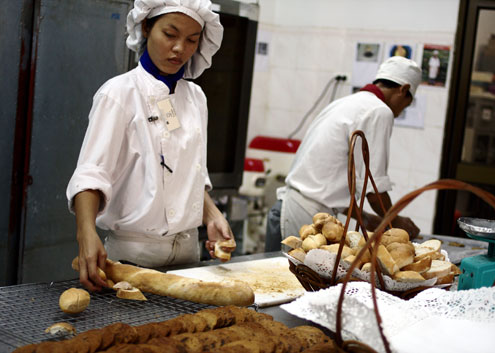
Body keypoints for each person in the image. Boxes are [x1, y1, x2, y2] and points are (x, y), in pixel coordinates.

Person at [66, 0, 234, 291]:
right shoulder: (119, 93)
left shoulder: (194, 98)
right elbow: (92, 173)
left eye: (192, 40)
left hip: (187, 253)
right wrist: (86, 231)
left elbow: (184, 170)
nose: (180, 48)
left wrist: (212, 214)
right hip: (134, 257)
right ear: (146, 27)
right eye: (170, 35)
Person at [265, 56, 421, 251]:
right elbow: (374, 189)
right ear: (403, 89)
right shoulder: (380, 111)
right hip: (301, 218)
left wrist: (366, 218)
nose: (399, 113)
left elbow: (330, 182)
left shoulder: (347, 103)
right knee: (286, 281)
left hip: (286, 210)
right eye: (405, 106)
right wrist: (395, 220)